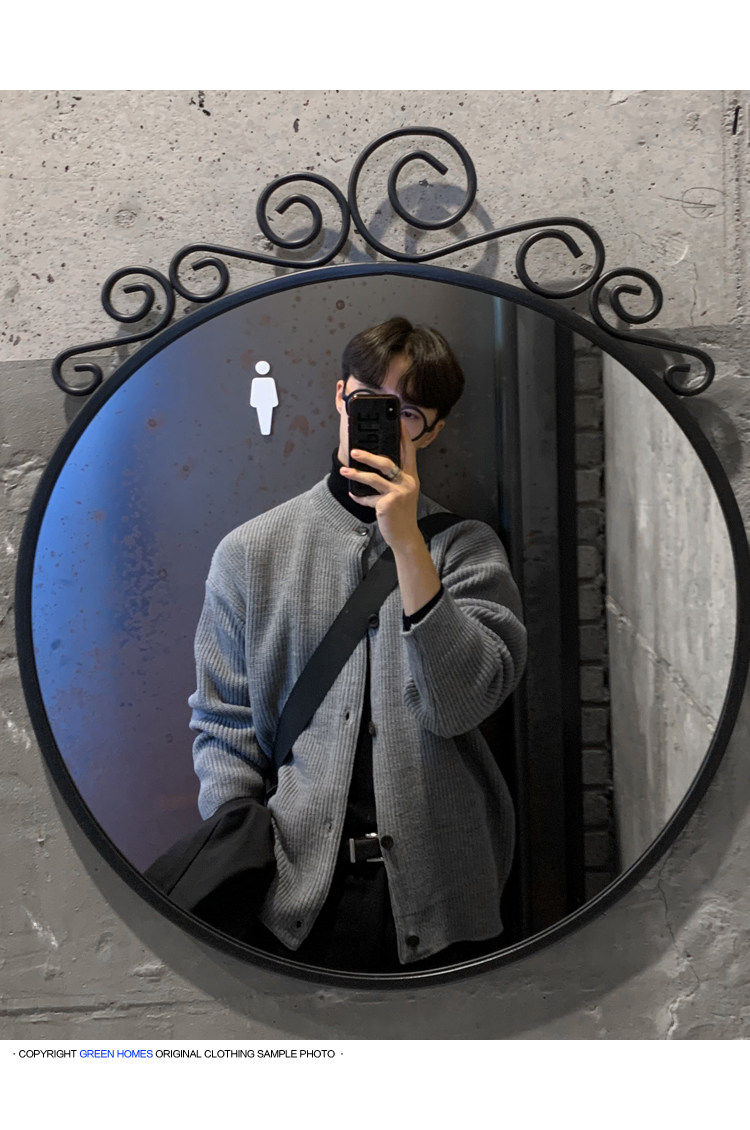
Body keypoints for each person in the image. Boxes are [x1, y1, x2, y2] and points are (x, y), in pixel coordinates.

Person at [188, 317, 527, 971]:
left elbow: (458, 706)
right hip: (293, 894)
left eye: (408, 412)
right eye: (372, 401)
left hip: (447, 888)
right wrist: (243, 847)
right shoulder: (251, 553)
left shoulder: (467, 549)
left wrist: (408, 543)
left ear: (431, 431)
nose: (385, 422)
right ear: (341, 396)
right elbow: (223, 724)